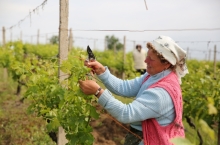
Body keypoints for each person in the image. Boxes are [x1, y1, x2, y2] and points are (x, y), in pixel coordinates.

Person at [79, 35, 189, 145]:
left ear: (167, 63)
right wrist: (102, 71)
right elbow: (125, 87)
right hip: (140, 136)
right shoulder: (154, 75)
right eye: (147, 56)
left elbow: (126, 114)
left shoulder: (162, 93)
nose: (145, 61)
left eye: (151, 59)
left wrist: (98, 92)